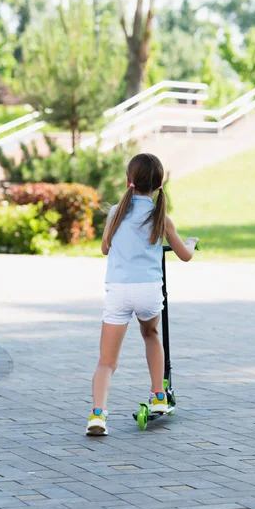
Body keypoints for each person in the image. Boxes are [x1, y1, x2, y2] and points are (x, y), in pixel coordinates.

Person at [86, 153, 199, 436]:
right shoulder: (162, 218)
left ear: (129, 181)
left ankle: (97, 416)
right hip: (149, 291)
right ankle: (158, 394)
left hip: (119, 291)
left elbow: (104, 248)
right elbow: (184, 256)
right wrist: (190, 243)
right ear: (160, 186)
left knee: (106, 362)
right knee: (151, 335)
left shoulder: (115, 213)